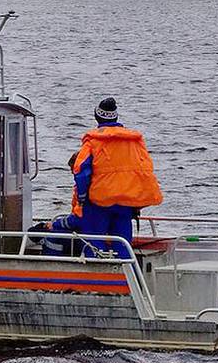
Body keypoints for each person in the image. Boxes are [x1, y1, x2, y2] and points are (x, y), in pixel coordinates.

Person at [66, 97, 163, 254]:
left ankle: (97, 274)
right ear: (116, 117)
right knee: (123, 243)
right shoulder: (134, 141)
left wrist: (82, 198)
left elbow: (81, 171)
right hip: (126, 202)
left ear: (97, 117)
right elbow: (145, 169)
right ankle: (125, 273)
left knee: (94, 244)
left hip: (99, 202)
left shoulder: (93, 141)